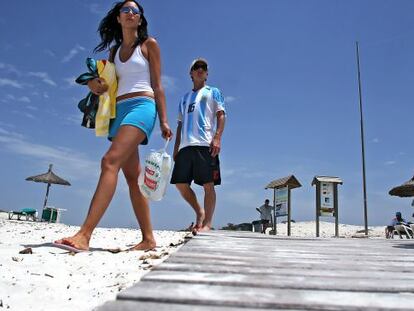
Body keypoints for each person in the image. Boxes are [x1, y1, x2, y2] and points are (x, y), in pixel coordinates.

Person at [55, 0, 172, 251]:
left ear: (140, 19)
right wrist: (94, 85)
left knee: (109, 161)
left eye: (135, 11)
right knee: (132, 178)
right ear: (118, 18)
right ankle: (149, 239)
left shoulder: (149, 45)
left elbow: (158, 85)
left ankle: (85, 234)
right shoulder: (113, 54)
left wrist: (163, 119)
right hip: (119, 111)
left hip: (142, 107)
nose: (130, 14)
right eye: (125, 10)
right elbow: (107, 86)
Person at [170, 58, 226, 234]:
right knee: (180, 183)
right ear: (191, 73)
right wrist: (176, 147)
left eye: (204, 68)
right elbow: (179, 124)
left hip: (205, 144)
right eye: (196, 67)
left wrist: (217, 137)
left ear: (207, 74)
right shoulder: (184, 98)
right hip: (186, 146)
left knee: (208, 184)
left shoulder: (213, 92)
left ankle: (207, 224)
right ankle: (199, 212)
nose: (200, 69)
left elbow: (221, 115)